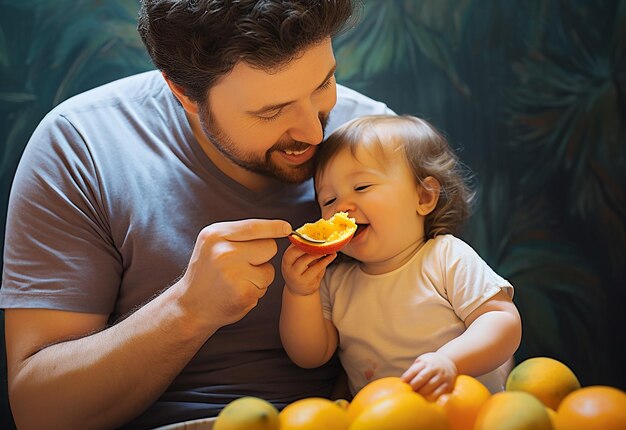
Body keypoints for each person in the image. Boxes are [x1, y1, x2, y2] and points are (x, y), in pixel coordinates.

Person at [0, 1, 395, 428]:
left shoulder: (383, 142)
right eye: (271, 112)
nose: (315, 133)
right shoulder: (81, 148)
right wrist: (187, 310)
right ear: (183, 92)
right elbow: (38, 413)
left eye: (324, 83)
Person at [280, 115, 522, 400]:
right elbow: (310, 355)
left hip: (464, 411)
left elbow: (502, 321)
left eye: (362, 187)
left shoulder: (445, 257)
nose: (341, 207)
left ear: (423, 197)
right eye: (328, 200)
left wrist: (450, 361)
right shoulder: (336, 281)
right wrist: (299, 292)